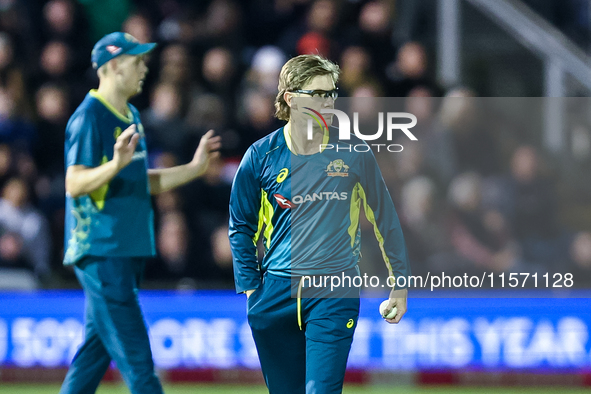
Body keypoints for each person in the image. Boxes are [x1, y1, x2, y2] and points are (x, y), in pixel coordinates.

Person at [229, 54, 410, 394]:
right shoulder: (261, 155)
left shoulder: (353, 151)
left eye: (332, 93)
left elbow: (385, 219)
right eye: (318, 94)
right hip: (275, 294)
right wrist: (252, 288)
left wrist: (399, 283)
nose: (328, 102)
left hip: (334, 291)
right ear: (291, 98)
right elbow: (241, 225)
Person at [60, 32, 220, 394]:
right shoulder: (89, 117)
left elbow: (141, 181)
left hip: (125, 248)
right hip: (103, 250)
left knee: (93, 357)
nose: (144, 68)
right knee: (140, 363)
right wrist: (115, 164)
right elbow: (74, 182)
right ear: (113, 66)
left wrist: (193, 168)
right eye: (137, 62)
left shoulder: (130, 114)